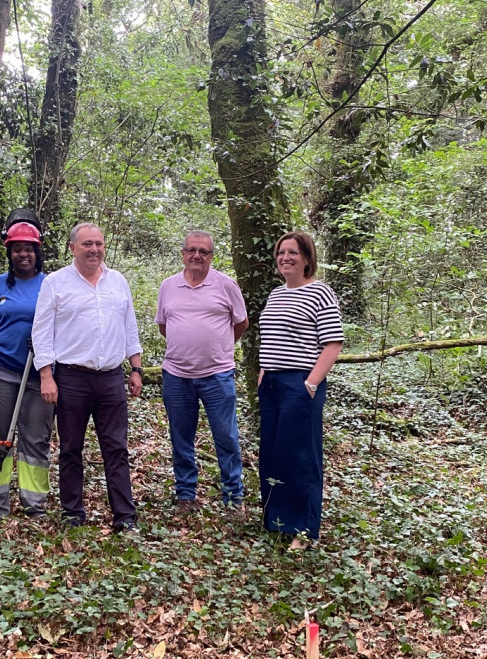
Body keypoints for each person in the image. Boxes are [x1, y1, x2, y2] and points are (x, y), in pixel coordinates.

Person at [31, 222, 143, 533]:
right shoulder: (55, 283)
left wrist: (135, 368)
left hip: (110, 378)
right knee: (70, 448)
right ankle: (72, 512)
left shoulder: (117, 281)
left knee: (116, 448)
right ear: (72, 248)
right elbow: (41, 332)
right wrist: (46, 375)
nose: (94, 249)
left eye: (98, 243)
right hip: (71, 378)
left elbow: (129, 327)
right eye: (86, 244)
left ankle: (124, 516)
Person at [258, 231, 344, 548]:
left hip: (301, 383)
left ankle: (303, 531)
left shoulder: (320, 293)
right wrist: (264, 373)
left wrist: (310, 383)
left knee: (300, 457)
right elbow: (270, 338)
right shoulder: (276, 295)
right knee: (273, 453)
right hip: (272, 384)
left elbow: (333, 343)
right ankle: (277, 520)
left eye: (293, 252)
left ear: (307, 258)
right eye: (281, 252)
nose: (285, 258)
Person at [155, 230, 249, 513]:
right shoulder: (168, 286)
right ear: (183, 254)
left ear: (211, 256)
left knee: (226, 437)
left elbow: (241, 324)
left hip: (217, 376)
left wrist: (218, 348)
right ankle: (185, 495)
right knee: (180, 437)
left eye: (203, 252)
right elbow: (164, 326)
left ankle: (233, 498)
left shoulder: (226, 285)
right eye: (191, 250)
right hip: (176, 376)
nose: (197, 256)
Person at [0, 219, 54, 519]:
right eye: (17, 249)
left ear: (37, 252)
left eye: (28, 250)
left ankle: (35, 505)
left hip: (39, 375)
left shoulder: (50, 285)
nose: (23, 255)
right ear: (10, 253)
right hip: (0, 372)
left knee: (36, 440)